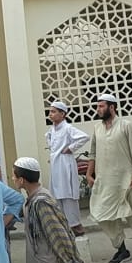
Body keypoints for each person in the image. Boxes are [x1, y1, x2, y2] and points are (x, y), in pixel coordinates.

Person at [88, 93, 132, 263]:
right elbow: (93, 153)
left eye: (101, 106)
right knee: (104, 215)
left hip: (128, 179)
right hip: (106, 181)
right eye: (97, 106)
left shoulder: (127, 126)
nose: (98, 109)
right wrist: (89, 174)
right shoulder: (97, 128)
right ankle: (121, 249)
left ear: (112, 107)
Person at [44, 101, 92, 235]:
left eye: (54, 112)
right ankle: (62, 224)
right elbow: (50, 141)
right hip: (55, 165)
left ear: (63, 114)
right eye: (50, 111)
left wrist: (70, 148)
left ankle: (75, 224)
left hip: (65, 164)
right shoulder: (52, 129)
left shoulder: (67, 128)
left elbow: (84, 137)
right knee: (56, 194)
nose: (50, 114)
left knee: (68, 193)